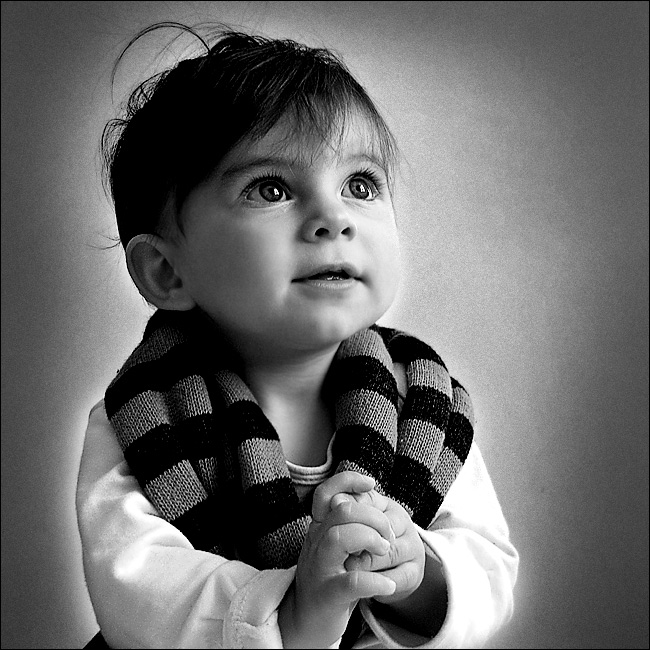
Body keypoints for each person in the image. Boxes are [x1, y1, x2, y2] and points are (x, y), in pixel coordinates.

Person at [76, 21, 519, 649]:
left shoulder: (426, 405)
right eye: (272, 188)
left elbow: (489, 565)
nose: (333, 218)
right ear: (168, 271)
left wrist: (414, 577)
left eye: (359, 185)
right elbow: (141, 595)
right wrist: (294, 611)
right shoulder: (142, 418)